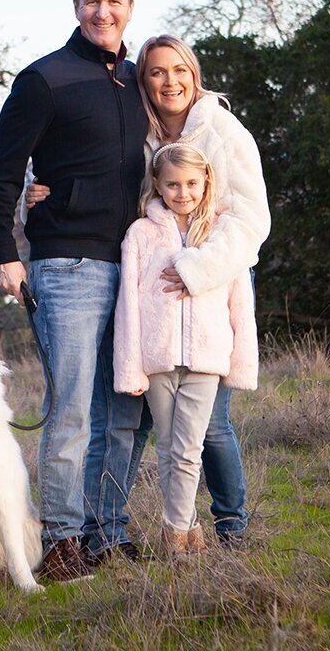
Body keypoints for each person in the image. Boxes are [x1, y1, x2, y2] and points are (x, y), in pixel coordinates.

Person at [29, 34, 270, 544]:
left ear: (194, 73)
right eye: (157, 72)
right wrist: (44, 189)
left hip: (212, 285)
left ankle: (231, 526)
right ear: (144, 81)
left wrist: (197, 269)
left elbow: (252, 219)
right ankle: (109, 530)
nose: (170, 81)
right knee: (132, 419)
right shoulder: (140, 133)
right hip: (151, 293)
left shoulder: (222, 130)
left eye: (179, 70)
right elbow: (112, 187)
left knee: (209, 425)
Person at [0, 0, 149, 582]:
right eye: (90, 2)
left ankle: (108, 531)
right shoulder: (43, 79)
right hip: (68, 267)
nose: (101, 12)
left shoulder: (137, 81)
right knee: (74, 411)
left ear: (130, 6)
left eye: (112, 1)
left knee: (125, 411)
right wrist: (5, 250)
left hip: (133, 265)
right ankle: (61, 542)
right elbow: (5, 172)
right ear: (75, 6)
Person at [113, 143, 258, 555]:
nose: (183, 192)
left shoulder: (220, 233)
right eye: (173, 184)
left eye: (192, 183)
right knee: (168, 449)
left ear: (205, 181)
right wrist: (131, 367)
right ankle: (190, 527)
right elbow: (129, 304)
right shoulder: (140, 234)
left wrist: (240, 361)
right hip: (156, 359)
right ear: (157, 184)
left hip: (206, 359)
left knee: (189, 447)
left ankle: (174, 534)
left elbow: (239, 302)